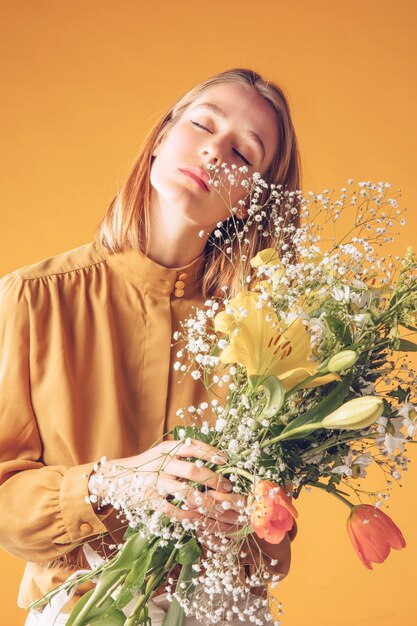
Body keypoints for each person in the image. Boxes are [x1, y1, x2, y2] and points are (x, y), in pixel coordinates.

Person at [0, 67, 301, 625]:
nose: (215, 153)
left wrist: (250, 519)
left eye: (243, 153)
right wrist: (114, 482)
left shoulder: (267, 331)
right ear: (162, 137)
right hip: (85, 607)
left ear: (250, 201)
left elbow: (274, 547)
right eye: (204, 126)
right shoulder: (34, 298)